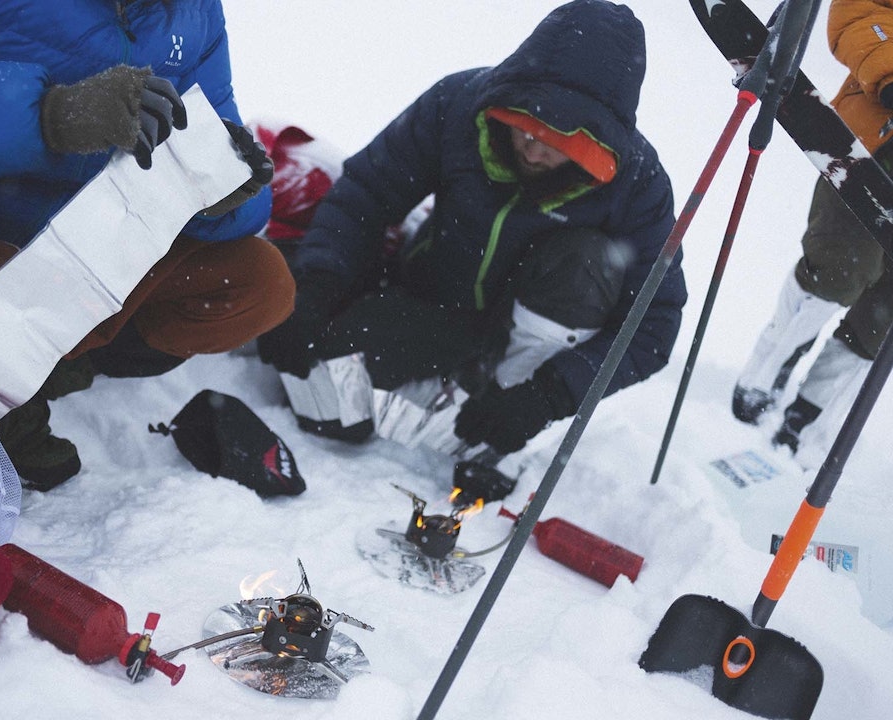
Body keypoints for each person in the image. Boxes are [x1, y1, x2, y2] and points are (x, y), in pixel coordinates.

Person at [0, 0, 295, 491]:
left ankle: (19, 382)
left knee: (255, 282)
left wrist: (221, 189)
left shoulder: (192, 11)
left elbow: (214, 130)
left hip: (56, 233)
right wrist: (47, 117)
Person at [256, 0, 686, 498]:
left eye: (556, 141)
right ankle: (450, 381)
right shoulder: (459, 104)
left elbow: (654, 324)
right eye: (524, 125)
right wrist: (316, 288)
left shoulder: (639, 185)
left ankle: (502, 420)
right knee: (323, 403)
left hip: (533, 334)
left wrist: (546, 396)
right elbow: (367, 194)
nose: (531, 148)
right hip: (435, 301)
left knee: (587, 263)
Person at [732, 0, 893, 461]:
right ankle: (764, 375)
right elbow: (858, 10)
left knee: (882, 317)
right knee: (842, 267)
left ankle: (809, 417)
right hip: (874, 150)